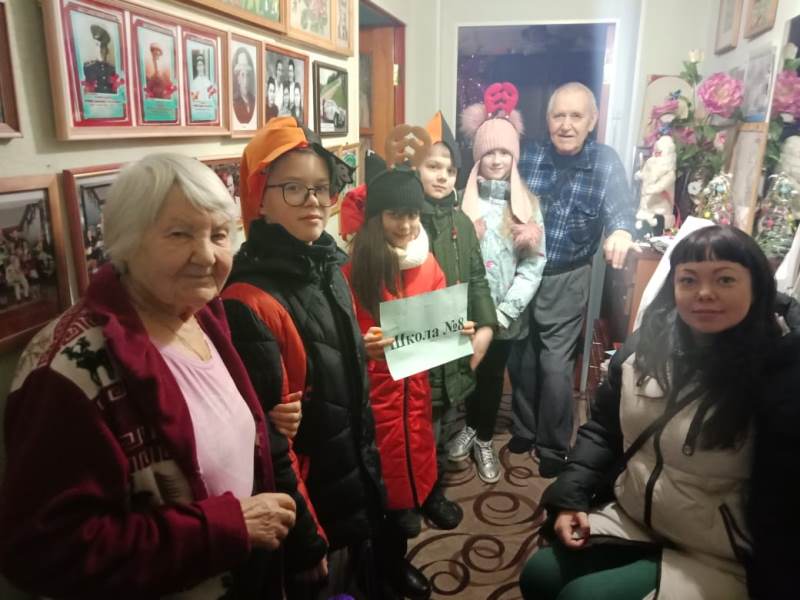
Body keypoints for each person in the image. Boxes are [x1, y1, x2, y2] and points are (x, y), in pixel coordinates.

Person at [0, 154, 297, 598]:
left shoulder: (200, 312)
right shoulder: (68, 371)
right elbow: (47, 551)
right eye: (179, 234)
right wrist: (227, 528)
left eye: (219, 234)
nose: (206, 255)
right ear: (127, 241)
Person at [519, 225, 799, 600]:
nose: (704, 293)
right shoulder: (647, 345)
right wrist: (571, 495)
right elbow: (603, 429)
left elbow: (786, 502)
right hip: (639, 515)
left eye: (725, 279)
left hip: (720, 550)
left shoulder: (781, 372)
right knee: (539, 575)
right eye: (688, 280)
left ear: (758, 287)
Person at [221, 116, 431, 600]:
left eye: (320, 187)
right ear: (259, 197)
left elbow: (323, 357)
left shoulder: (326, 264)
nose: (313, 201)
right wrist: (305, 539)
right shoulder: (249, 300)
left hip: (352, 461)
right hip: (314, 494)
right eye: (293, 188)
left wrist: (360, 347)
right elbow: (269, 444)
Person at [508, 81, 638, 478]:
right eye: (558, 115)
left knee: (554, 364)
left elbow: (621, 210)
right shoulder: (528, 155)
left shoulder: (605, 162)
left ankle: (552, 443)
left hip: (567, 277)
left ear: (592, 121)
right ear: (547, 119)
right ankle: (524, 429)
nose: (566, 125)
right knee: (521, 355)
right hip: (520, 272)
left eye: (576, 116)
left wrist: (621, 231)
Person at [448, 83, 546, 484]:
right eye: (489, 152)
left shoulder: (527, 205)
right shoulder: (459, 201)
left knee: (491, 376)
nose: (497, 159)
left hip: (504, 317)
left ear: (514, 156)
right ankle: (469, 427)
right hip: (466, 313)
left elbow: (533, 267)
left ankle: (484, 436)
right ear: (478, 155)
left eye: (504, 152)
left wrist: (505, 312)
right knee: (465, 372)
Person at [418, 111, 497, 524]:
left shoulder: (461, 223)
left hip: (454, 342)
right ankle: (421, 494)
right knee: (419, 425)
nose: (442, 176)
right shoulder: (405, 222)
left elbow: (477, 277)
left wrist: (485, 326)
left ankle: (431, 486)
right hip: (417, 347)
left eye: (449, 170)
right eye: (432, 166)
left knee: (445, 416)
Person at [83, 24, 117, 94]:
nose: (102, 51)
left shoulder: (112, 69)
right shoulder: (88, 68)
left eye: (103, 47)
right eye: (98, 46)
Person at [233, 48, 256, 124]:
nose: (245, 80)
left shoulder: (253, 99)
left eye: (247, 75)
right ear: (238, 79)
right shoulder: (235, 102)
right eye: (242, 75)